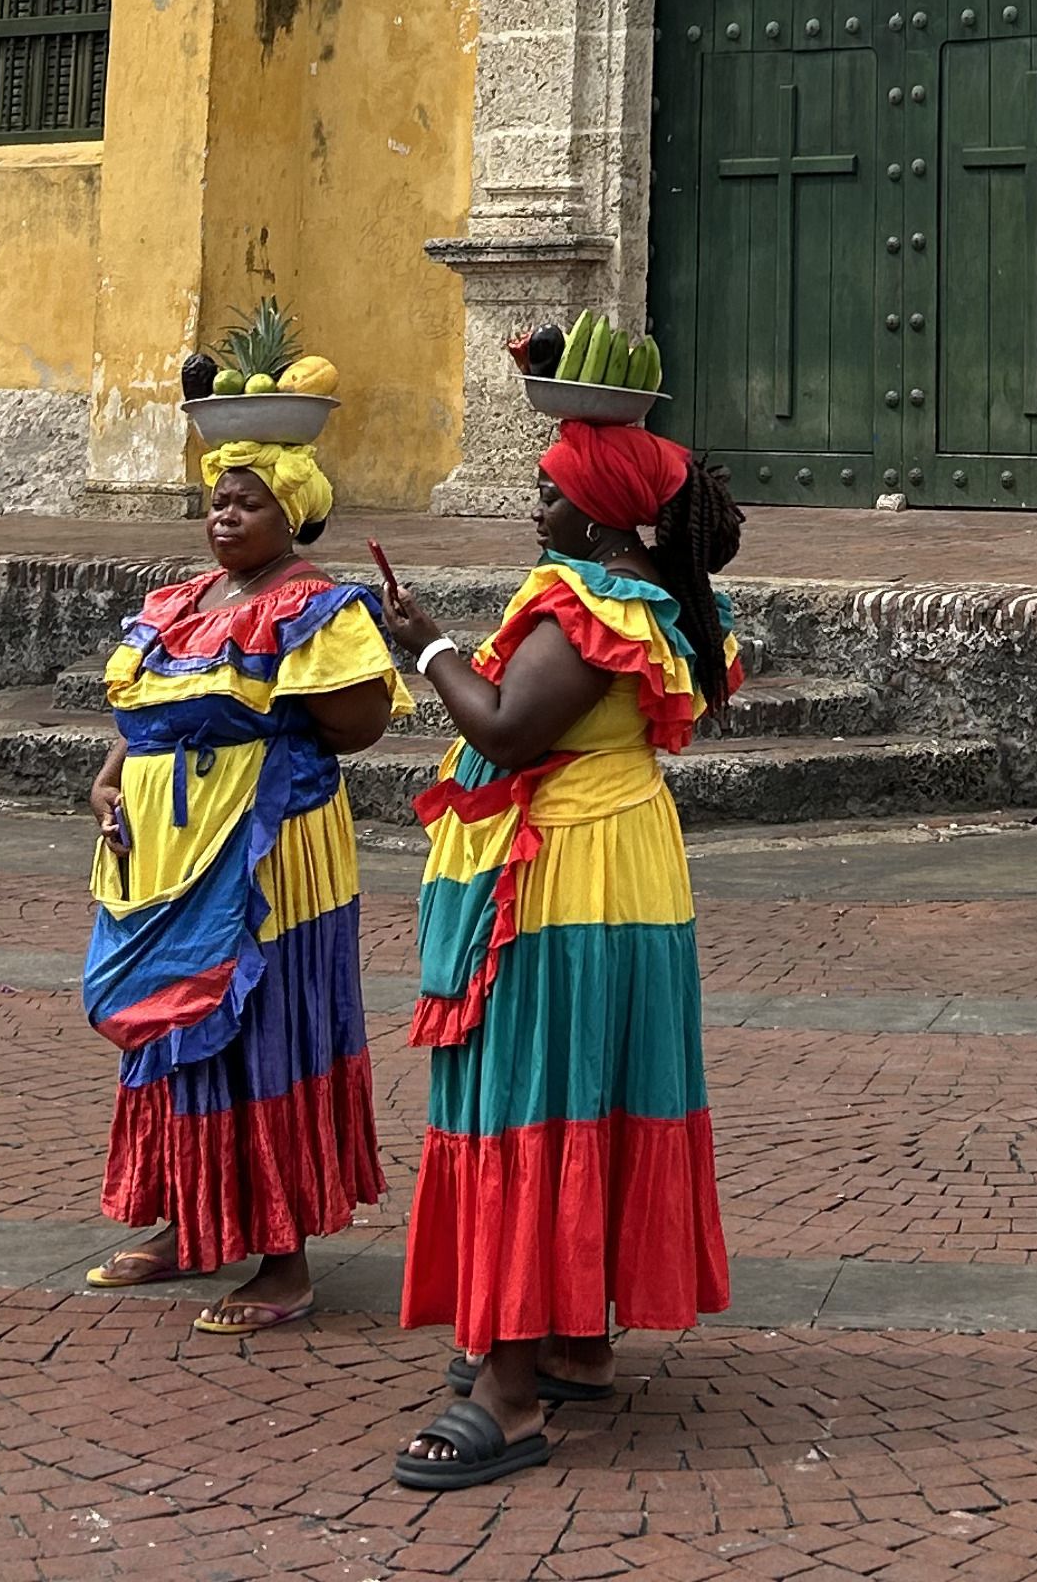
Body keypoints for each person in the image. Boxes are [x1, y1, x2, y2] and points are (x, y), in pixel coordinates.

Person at [378, 418, 742, 1493]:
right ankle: (571, 1332)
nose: (533, 511)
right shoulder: (655, 602)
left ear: (597, 512)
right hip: (618, 868)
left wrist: (432, 648)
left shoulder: (591, 606)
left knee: (531, 1098)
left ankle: (510, 1391)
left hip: (565, 886)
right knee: (592, 1087)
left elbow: (502, 730)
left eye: (546, 493)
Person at [79, 435, 408, 1335]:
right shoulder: (183, 602)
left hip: (266, 853)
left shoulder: (316, 606)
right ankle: (192, 1219)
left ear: (291, 514)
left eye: (249, 502)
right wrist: (111, 779)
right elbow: (147, 715)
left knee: (257, 1020)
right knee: (169, 1025)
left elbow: (356, 725)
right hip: (158, 852)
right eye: (218, 499)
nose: (225, 514)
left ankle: (283, 1258)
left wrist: (313, 674)